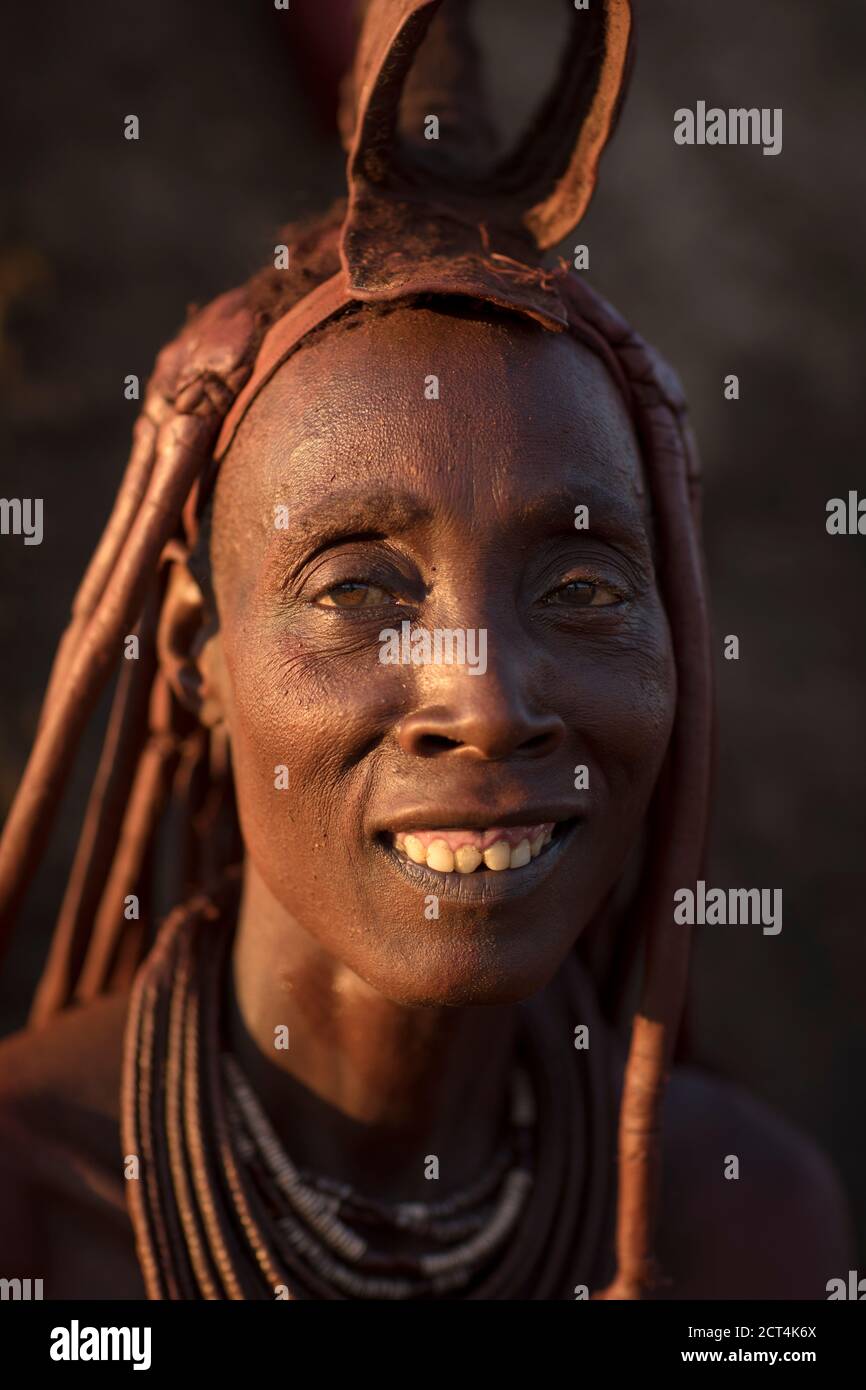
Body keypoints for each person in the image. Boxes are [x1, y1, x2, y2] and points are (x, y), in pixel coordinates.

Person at [0, 0, 853, 1300]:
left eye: (579, 585)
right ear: (194, 658)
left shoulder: (744, 1227)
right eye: (358, 590)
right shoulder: (31, 1220)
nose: (487, 698)